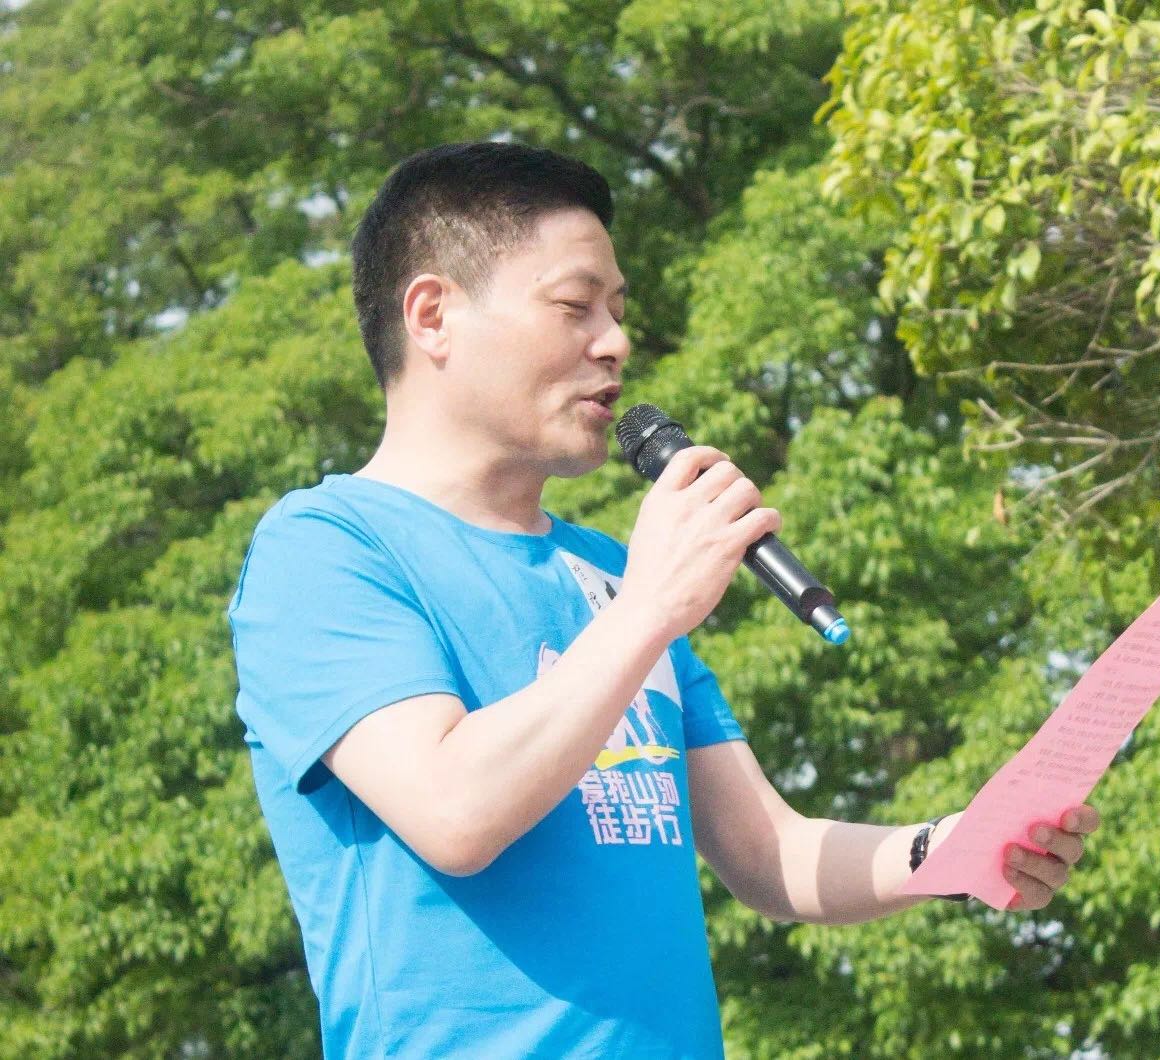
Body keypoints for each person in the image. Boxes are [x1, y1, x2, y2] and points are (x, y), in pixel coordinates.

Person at [225, 141, 1100, 1058]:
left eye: (617, 309)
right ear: (433, 316)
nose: (615, 342)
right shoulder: (325, 549)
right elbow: (454, 811)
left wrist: (949, 850)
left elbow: (768, 853)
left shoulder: (611, 572)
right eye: (575, 306)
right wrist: (647, 610)